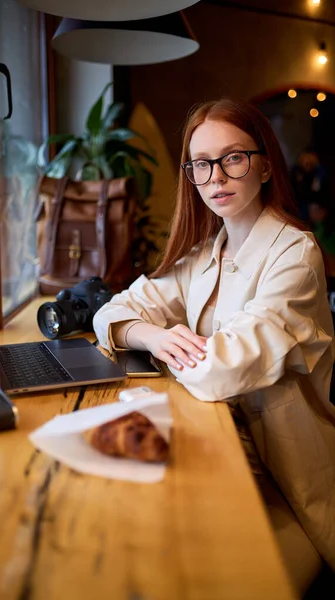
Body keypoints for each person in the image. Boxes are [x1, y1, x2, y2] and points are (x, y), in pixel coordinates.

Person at [93, 98, 335, 596]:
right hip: (226, 444)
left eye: (233, 158)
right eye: (201, 165)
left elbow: (218, 371)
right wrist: (156, 335)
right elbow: (111, 313)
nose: (215, 177)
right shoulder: (206, 253)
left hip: (286, 478)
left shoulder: (296, 254)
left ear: (265, 164)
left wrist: (173, 348)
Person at [291, 149, 329, 224]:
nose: (307, 167)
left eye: (309, 165)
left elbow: (317, 187)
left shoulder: (319, 171)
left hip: (313, 200)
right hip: (299, 201)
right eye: (305, 164)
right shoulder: (296, 170)